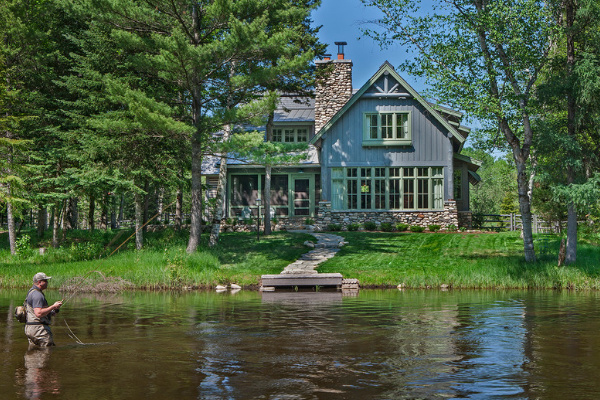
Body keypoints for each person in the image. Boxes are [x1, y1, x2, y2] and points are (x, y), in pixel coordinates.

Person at [25, 272, 63, 348]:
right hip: (39, 330)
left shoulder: (31, 292)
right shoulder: (37, 295)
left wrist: (51, 311)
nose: (47, 283)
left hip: (30, 329)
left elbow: (35, 311)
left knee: (33, 354)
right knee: (46, 352)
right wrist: (53, 306)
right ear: (39, 282)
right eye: (45, 281)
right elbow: (38, 313)